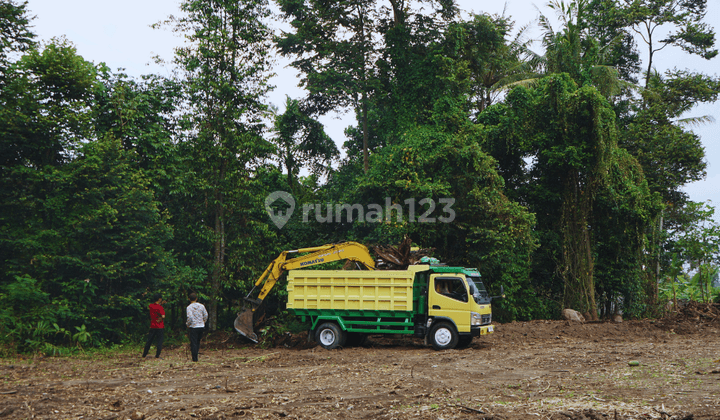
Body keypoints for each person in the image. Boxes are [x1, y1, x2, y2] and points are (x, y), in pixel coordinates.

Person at [186, 292, 208, 362]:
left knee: (193, 342)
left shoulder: (189, 307)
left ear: (189, 299)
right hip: (201, 326)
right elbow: (206, 315)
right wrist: (203, 321)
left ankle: (194, 358)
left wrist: (188, 324)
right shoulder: (201, 306)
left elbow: (190, 317)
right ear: (196, 298)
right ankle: (196, 355)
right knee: (198, 341)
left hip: (193, 326)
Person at [142, 293, 165, 359]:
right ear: (159, 299)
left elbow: (155, 307)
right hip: (160, 326)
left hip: (152, 325)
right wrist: (160, 319)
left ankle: (144, 354)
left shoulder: (150, 306)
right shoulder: (160, 307)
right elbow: (163, 316)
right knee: (159, 341)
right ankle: (157, 355)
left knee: (149, 340)